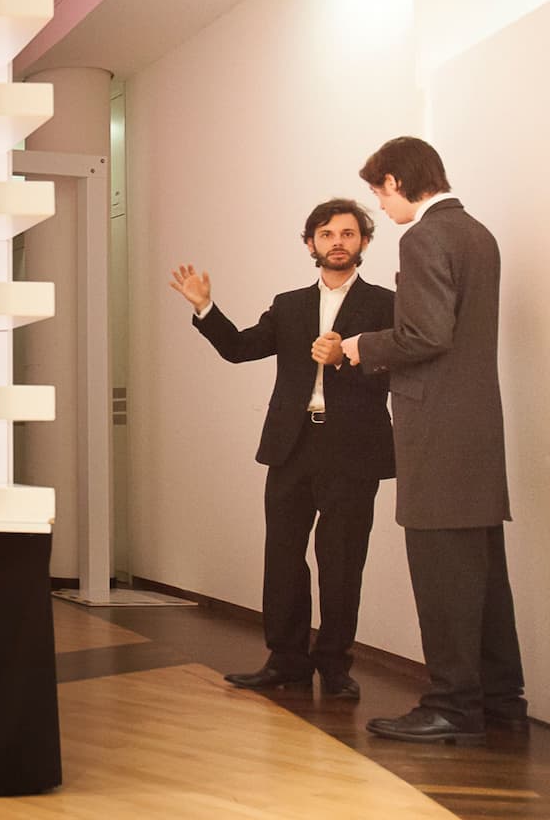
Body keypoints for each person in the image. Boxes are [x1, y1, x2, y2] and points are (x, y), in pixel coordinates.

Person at [339, 136, 526, 744]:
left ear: (394, 180)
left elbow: (425, 335)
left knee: (444, 576)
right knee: (483, 578)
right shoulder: (478, 233)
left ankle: (452, 706)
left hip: (438, 433)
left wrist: (362, 346)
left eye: (377, 193)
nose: (381, 207)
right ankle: (500, 701)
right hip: (475, 430)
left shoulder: (423, 236)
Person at [169, 198, 395, 700]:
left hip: (353, 447)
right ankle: (287, 659)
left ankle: (335, 665)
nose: (337, 241)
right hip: (292, 445)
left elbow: (400, 366)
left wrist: (347, 359)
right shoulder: (289, 304)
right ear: (310, 243)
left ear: (363, 243)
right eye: (327, 233)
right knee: (283, 556)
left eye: (348, 233)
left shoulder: (386, 304)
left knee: (341, 560)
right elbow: (239, 348)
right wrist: (205, 308)